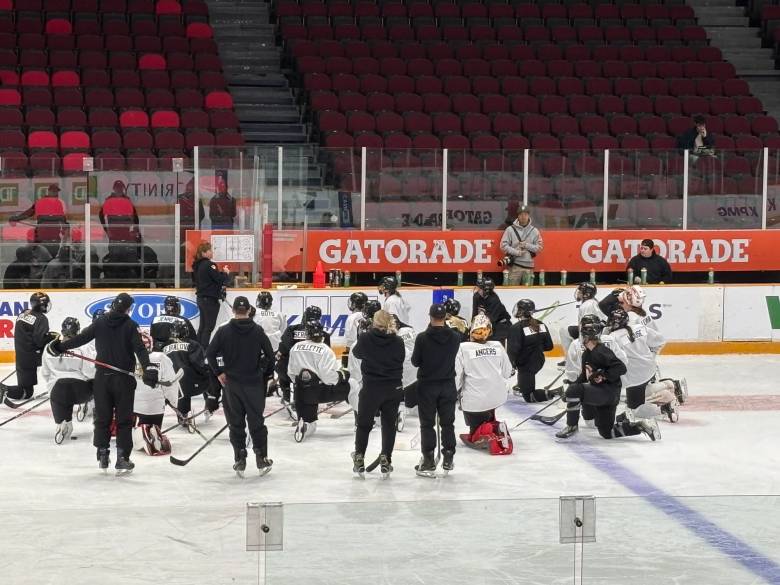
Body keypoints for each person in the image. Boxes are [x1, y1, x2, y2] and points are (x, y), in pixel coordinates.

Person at [51, 293, 156, 474]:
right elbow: (140, 349)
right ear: (129, 309)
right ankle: (122, 458)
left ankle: (102, 454)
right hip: (123, 380)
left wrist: (59, 346)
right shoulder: (131, 326)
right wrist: (148, 369)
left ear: (113, 305)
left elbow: (80, 339)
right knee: (124, 420)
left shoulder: (100, 323)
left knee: (102, 418)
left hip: (102, 380)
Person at [555, 317, 659, 441]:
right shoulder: (587, 353)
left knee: (574, 390)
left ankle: (571, 426)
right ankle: (641, 426)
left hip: (608, 392)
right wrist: (570, 391)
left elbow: (621, 368)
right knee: (606, 432)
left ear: (585, 336)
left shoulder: (601, 351)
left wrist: (603, 375)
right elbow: (583, 377)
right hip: (606, 395)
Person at [206, 296, 275, 476]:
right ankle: (261, 457)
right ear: (249, 310)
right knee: (256, 423)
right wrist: (264, 373)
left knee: (236, 424)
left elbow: (210, 353)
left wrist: (219, 373)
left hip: (232, 385)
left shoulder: (223, 331)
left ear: (234, 310)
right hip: (253, 384)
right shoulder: (258, 331)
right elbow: (270, 356)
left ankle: (240, 458)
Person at [351, 310, 405, 478]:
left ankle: (359, 456)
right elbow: (401, 358)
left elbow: (356, 353)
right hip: (392, 388)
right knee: (389, 424)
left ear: (374, 322)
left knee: (364, 424)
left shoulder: (366, 338)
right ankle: (386, 458)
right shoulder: (397, 341)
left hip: (371, 388)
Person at [411, 303, 461, 477]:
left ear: (430, 316)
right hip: (447, 385)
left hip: (427, 386)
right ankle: (448, 456)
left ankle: (429, 460)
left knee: (427, 424)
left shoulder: (422, 338)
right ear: (445, 317)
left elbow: (415, 361)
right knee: (448, 423)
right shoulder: (455, 337)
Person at [605, 308, 680, 424]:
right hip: (650, 369)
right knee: (639, 391)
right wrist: (650, 356)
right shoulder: (639, 328)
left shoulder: (612, 338)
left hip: (633, 377)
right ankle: (669, 384)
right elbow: (660, 341)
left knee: (635, 410)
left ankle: (664, 407)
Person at [455, 314, 514, 454]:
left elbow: (456, 377)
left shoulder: (463, 348)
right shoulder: (497, 345)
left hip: (474, 400)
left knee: (474, 433)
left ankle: (487, 430)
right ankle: (493, 425)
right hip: (498, 397)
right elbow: (507, 372)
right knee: (487, 398)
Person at [287, 320, 350, 442]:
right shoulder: (325, 349)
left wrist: (303, 384)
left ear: (307, 333)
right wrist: (342, 376)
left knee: (310, 421)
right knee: (352, 385)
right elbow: (328, 377)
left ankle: (304, 422)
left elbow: (291, 373)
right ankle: (363, 420)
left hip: (301, 393)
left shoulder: (295, 347)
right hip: (321, 392)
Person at [41, 317, 95, 444]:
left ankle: (62, 424)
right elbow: (90, 372)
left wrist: (52, 385)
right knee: (99, 384)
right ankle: (99, 422)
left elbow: (45, 373)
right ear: (78, 331)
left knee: (60, 399)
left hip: (57, 390)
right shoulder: (84, 347)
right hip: (81, 392)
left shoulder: (49, 348)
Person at [275, 305, 331, 414]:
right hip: (314, 372)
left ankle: (286, 393)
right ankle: (315, 394)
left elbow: (283, 349)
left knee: (281, 363)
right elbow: (327, 355)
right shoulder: (324, 334)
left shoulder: (292, 329)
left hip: (293, 370)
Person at [132, 333, 180, 456]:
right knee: (154, 427)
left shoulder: (129, 357)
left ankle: (142, 433)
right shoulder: (161, 357)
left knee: (134, 432)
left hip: (135, 406)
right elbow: (170, 383)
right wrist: (173, 401)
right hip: (157, 406)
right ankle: (149, 432)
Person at [0, 292, 53, 404]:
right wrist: (51, 338)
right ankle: (4, 390)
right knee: (26, 392)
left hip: (21, 354)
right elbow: (39, 341)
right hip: (32, 356)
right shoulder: (41, 318)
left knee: (25, 388)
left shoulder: (23, 313)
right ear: (42, 305)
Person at [507, 299, 559, 403]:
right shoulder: (540, 324)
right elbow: (549, 346)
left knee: (528, 397)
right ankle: (522, 383)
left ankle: (557, 393)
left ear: (520, 311)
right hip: (539, 361)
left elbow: (513, 351)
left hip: (526, 366)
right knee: (524, 383)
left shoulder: (515, 328)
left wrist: (510, 367)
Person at [163, 321, 213, 426]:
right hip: (190, 383)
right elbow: (199, 365)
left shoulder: (163, 346)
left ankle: (182, 413)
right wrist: (207, 373)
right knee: (210, 375)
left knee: (180, 386)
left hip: (169, 386)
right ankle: (210, 403)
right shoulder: (193, 344)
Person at [10, 183, 68, 257]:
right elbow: (29, 212)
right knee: (46, 256)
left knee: (45, 257)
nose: (55, 193)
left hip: (49, 236)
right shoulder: (44, 202)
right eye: (54, 191)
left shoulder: (56, 203)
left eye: (56, 192)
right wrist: (16, 218)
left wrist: (16, 218)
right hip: (49, 236)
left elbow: (29, 213)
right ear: (49, 191)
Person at [192, 241, 230, 347]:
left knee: (203, 326)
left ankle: (198, 350)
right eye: (210, 250)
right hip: (209, 300)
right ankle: (203, 351)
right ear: (204, 253)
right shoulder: (210, 265)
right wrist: (226, 273)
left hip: (201, 299)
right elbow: (219, 279)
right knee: (208, 327)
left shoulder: (197, 265)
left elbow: (211, 278)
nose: (212, 252)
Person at [559, 282, 606, 361]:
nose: (578, 293)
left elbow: (586, 327)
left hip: (597, 334)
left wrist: (582, 346)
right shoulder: (592, 302)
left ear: (586, 294)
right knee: (564, 329)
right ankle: (569, 358)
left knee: (563, 330)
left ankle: (570, 360)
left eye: (580, 291)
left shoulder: (586, 305)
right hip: (599, 331)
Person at [499, 205, 543, 285]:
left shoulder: (534, 231)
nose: (523, 217)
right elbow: (503, 246)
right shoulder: (510, 230)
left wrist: (526, 245)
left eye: (525, 214)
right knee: (512, 293)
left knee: (527, 294)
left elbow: (539, 248)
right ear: (518, 216)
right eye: (521, 214)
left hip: (529, 268)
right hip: (514, 267)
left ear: (528, 215)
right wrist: (517, 252)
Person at [471, 278, 512, 346]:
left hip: (501, 324)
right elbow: (474, 314)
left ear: (486, 290)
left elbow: (491, 320)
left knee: (494, 344)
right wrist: (472, 329)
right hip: (489, 322)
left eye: (479, 289)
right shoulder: (476, 296)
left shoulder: (494, 300)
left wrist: (480, 333)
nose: (477, 290)